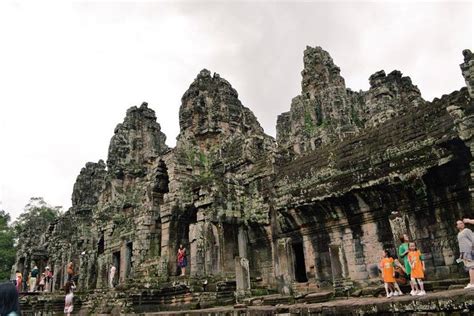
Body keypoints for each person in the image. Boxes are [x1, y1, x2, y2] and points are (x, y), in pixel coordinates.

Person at [458, 219, 474, 288]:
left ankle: (472, 283)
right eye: (459, 223)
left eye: (462, 223)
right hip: (464, 252)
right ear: (457, 226)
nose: (461, 224)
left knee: (471, 267)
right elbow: (461, 244)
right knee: (469, 267)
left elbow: (473, 239)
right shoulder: (459, 234)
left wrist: (472, 249)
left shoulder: (467, 230)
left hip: (469, 251)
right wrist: (461, 254)